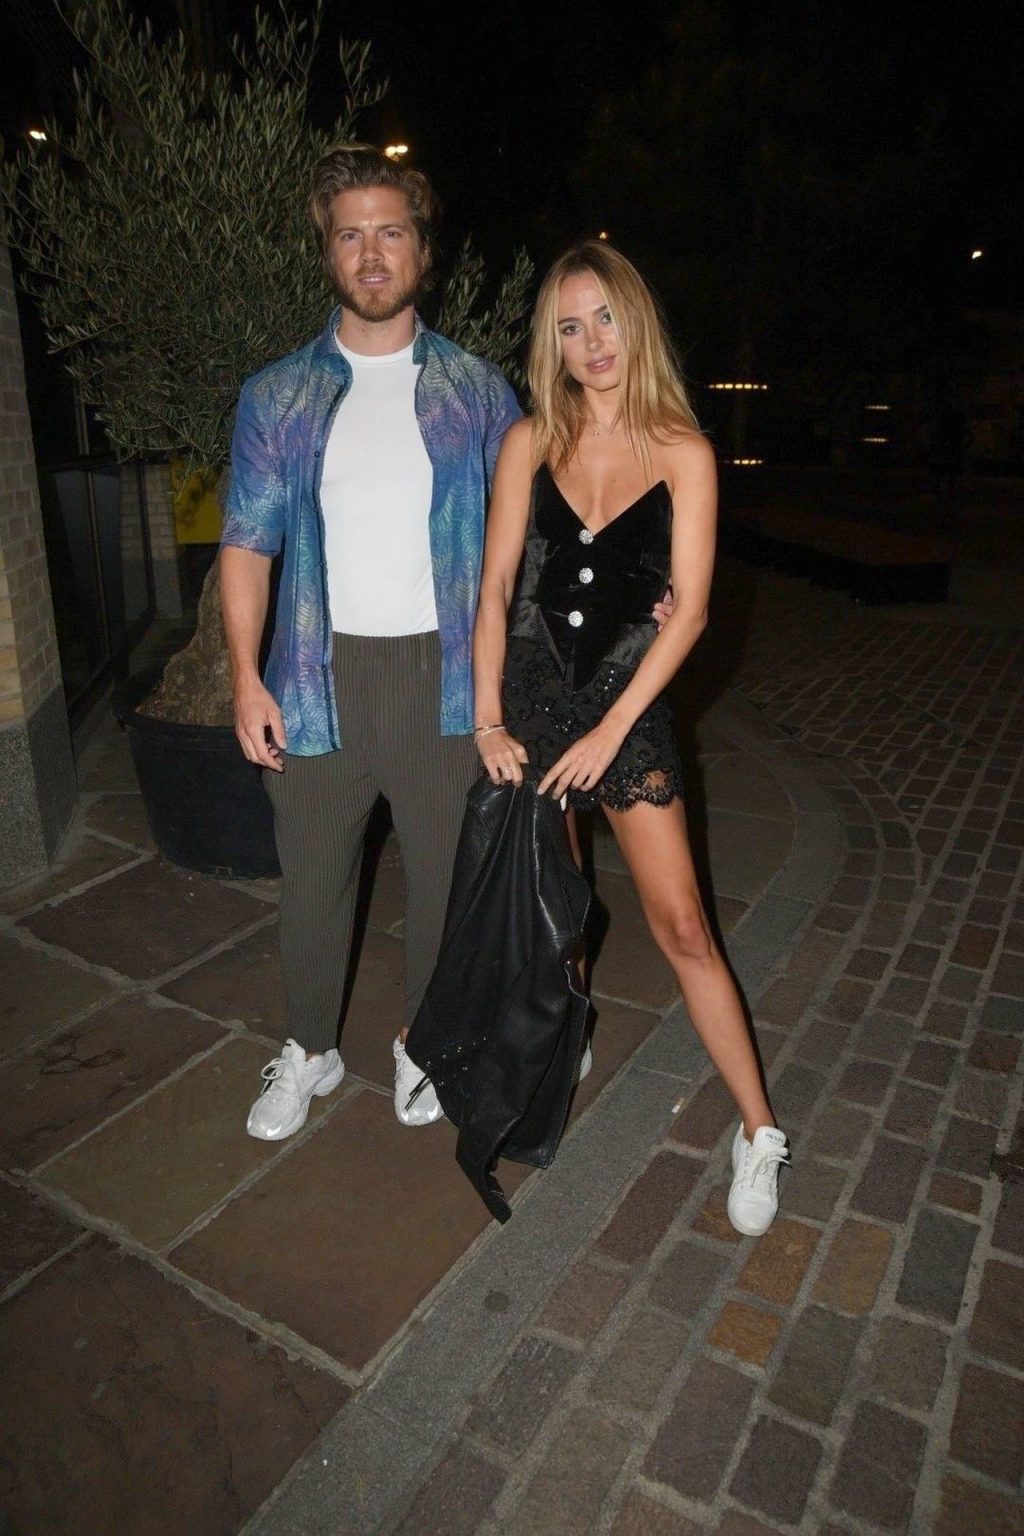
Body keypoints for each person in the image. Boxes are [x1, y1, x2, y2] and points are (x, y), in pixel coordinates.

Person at [472, 242, 788, 1236]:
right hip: (533, 707)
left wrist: (612, 731)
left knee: (683, 925)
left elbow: (689, 611)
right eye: (570, 326)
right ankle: (565, 1031)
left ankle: (759, 1129)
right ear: (552, 344)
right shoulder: (529, 441)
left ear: (634, 320)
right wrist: (486, 716)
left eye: (604, 317)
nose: (592, 341)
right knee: (555, 908)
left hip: (626, 709)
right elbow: (494, 586)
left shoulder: (684, 451)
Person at [219, 144, 521, 1138]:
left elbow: (531, 541)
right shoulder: (276, 395)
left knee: (443, 879)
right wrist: (246, 679)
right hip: (315, 674)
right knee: (311, 879)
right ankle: (309, 1048)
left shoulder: (478, 391)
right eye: (350, 235)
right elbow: (247, 543)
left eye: (391, 231)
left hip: (445, 676)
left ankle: (422, 1042)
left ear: (423, 251)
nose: (372, 252)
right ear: (329, 253)